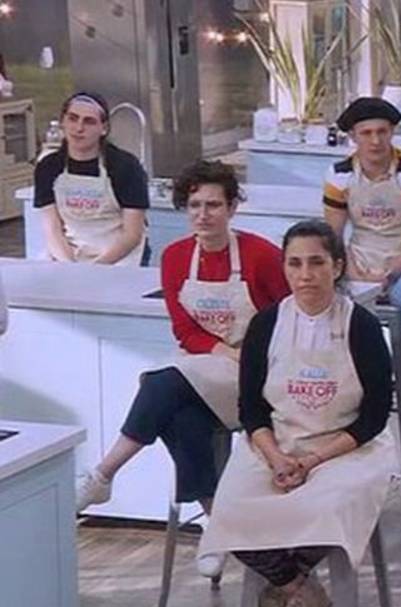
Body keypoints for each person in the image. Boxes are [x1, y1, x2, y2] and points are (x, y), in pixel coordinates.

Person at [75, 161, 290, 576]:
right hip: (203, 363)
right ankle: (218, 524)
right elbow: (184, 329)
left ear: (232, 208)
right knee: (180, 413)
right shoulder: (175, 257)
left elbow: (287, 318)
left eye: (213, 205)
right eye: (194, 206)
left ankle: (104, 473)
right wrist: (220, 351)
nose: (203, 215)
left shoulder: (262, 256)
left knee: (163, 385)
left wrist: (245, 357)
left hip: (257, 371)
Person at [199, 220, 397, 607]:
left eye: (316, 263)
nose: (305, 274)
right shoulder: (266, 325)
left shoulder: (360, 326)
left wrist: (312, 461)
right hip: (277, 441)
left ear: (337, 267)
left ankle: (290, 583)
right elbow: (251, 409)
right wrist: (276, 458)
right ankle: (299, 588)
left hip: (347, 445)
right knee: (229, 510)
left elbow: (375, 415)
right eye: (295, 264)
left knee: (326, 507)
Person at [324, 97, 401, 401]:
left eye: (382, 132)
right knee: (327, 317)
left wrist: (392, 273)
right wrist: (353, 270)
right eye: (366, 133)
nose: (375, 141)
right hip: (358, 260)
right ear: (353, 137)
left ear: (392, 132)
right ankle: (348, 385)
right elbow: (334, 235)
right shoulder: (339, 174)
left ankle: (399, 369)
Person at [34, 91, 149, 264]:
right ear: (63, 122)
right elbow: (52, 230)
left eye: (89, 121)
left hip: (119, 258)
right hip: (70, 255)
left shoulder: (126, 167)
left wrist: (96, 268)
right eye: (73, 119)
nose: (79, 128)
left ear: (104, 129)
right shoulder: (48, 167)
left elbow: (132, 235)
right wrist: (70, 266)